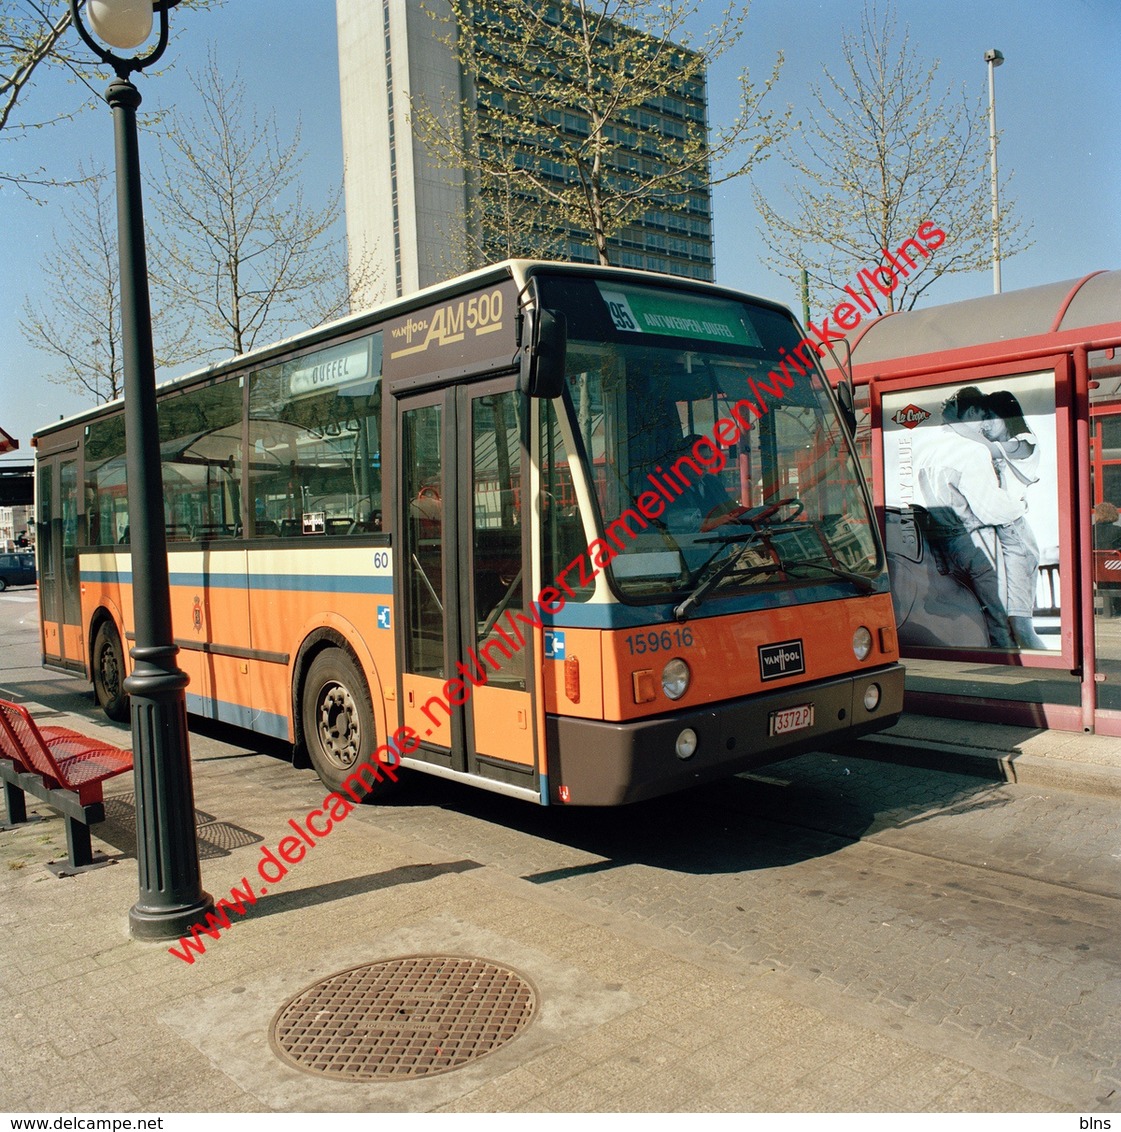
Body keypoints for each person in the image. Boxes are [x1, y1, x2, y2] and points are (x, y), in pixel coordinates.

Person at [911, 388, 1026, 648]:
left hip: (938, 546)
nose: (985, 425)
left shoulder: (927, 449)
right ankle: (1008, 662)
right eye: (983, 415)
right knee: (998, 615)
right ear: (972, 411)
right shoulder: (970, 451)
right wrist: (1020, 504)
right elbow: (990, 509)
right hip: (974, 541)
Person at [968, 389, 1047, 649]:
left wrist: (957, 427)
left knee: (1021, 626)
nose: (986, 424)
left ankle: (1056, 675)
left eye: (990, 416)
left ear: (1007, 414)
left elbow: (999, 449)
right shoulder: (992, 449)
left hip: (1014, 535)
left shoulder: (1025, 440)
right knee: (1003, 625)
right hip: (996, 534)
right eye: (983, 418)